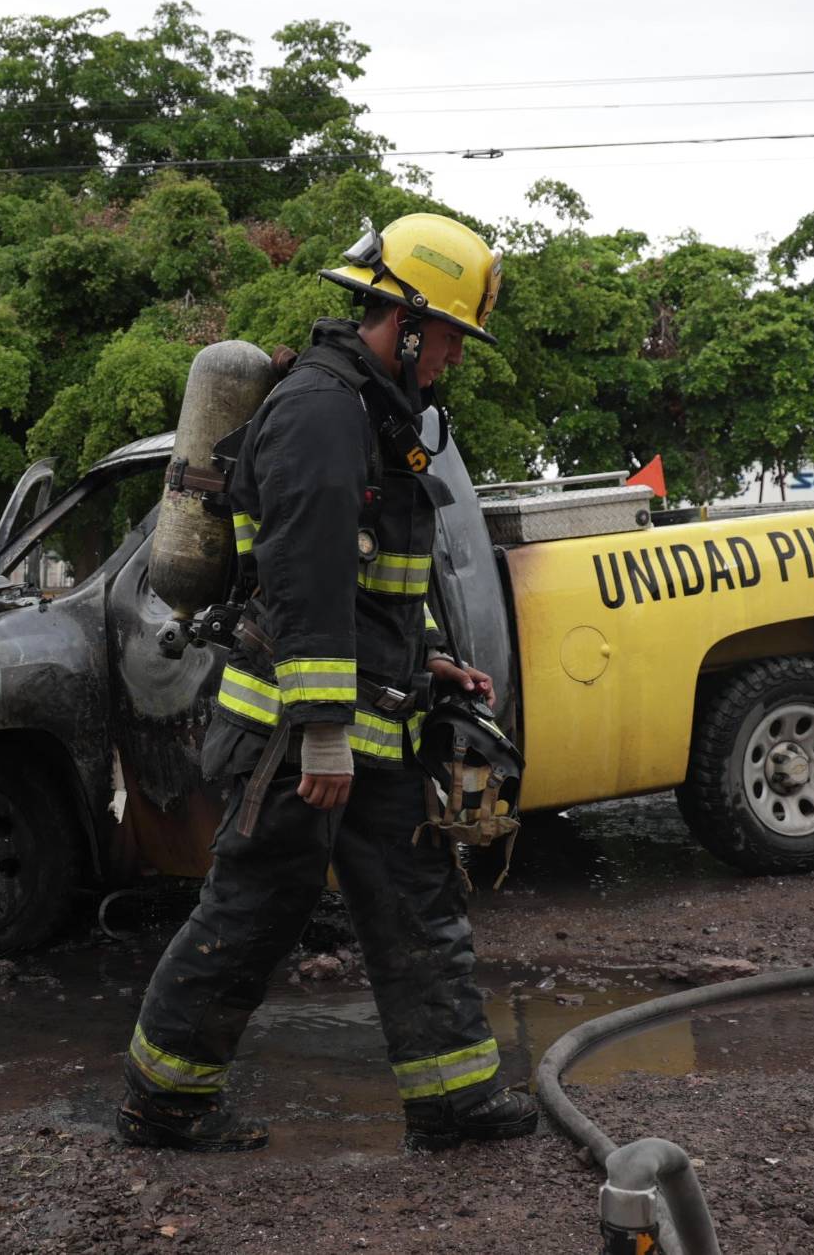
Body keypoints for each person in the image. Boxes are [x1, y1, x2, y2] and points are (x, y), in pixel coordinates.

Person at [117, 213, 538, 1152]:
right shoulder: (321, 411)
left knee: (415, 900)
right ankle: (163, 1104)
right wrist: (320, 728)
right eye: (453, 343)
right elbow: (304, 577)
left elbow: (372, 583)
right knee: (254, 910)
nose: (455, 363)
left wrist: (421, 658)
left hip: (369, 724)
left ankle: (454, 1101)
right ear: (410, 322)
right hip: (295, 739)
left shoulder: (373, 410)